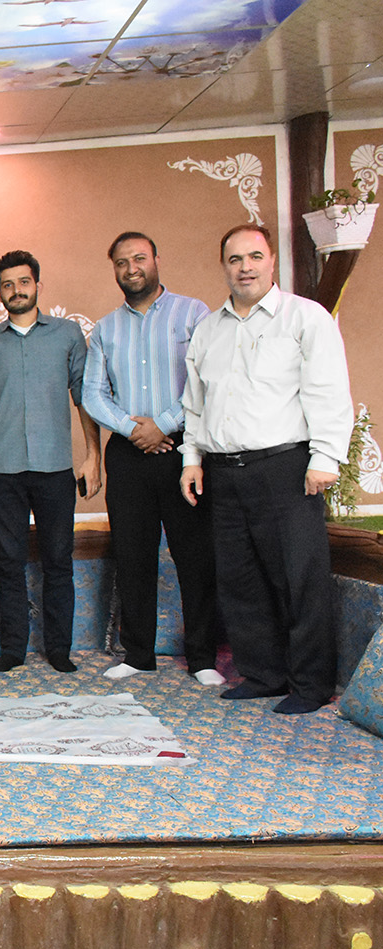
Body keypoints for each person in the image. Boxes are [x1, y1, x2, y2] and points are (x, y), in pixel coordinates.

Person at [179, 223, 354, 714]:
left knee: (299, 579)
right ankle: (263, 674)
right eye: (235, 259)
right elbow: (195, 404)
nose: (245, 267)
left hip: (286, 468)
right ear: (224, 266)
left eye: (255, 256)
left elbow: (328, 389)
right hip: (223, 471)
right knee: (240, 581)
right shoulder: (207, 330)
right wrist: (192, 459)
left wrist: (325, 457)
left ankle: (310, 684)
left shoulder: (305, 317)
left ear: (271, 261)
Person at [82, 232, 221, 685]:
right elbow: (93, 394)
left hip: (185, 450)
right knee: (132, 555)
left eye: (139, 258)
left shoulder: (193, 313)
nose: (131, 268)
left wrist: (162, 424)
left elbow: (204, 380)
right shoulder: (105, 329)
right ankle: (138, 654)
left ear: (156, 260)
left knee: (195, 556)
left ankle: (202, 657)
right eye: (121, 262)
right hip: (128, 453)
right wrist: (133, 429)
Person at [0, 250, 102, 674]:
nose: (16, 290)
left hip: (55, 468)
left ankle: (59, 650)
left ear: (38, 286)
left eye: (23, 282)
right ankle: (12, 651)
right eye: (7, 284)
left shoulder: (67, 335)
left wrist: (93, 455)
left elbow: (83, 398)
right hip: (4, 470)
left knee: (58, 560)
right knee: (9, 562)